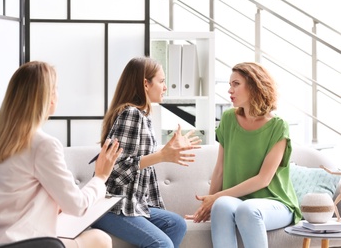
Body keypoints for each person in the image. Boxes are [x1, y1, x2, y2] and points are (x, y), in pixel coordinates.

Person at [0, 61, 122, 248]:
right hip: (18, 244)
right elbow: (78, 205)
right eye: (55, 89)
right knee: (100, 240)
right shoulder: (42, 145)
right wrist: (101, 177)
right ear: (48, 98)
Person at [186, 62, 302, 248]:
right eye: (230, 84)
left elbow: (263, 180)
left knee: (247, 209)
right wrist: (208, 204)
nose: (229, 90)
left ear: (254, 86)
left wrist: (217, 197)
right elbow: (220, 169)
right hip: (237, 201)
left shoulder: (278, 126)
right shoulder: (229, 119)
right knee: (221, 206)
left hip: (275, 203)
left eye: (236, 84)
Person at [91, 56, 202, 248]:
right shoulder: (131, 114)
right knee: (162, 244)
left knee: (176, 224)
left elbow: (135, 157)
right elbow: (114, 170)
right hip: (112, 206)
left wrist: (167, 150)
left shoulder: (142, 116)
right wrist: (162, 156)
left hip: (131, 204)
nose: (165, 87)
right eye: (161, 81)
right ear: (146, 84)